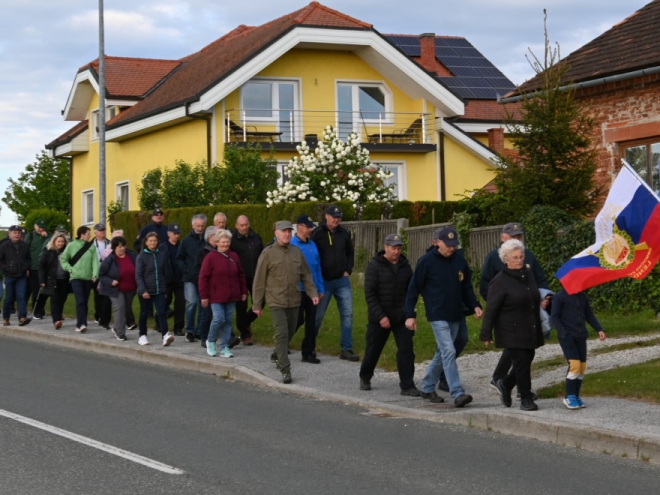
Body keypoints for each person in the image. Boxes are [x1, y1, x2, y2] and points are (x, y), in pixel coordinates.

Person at [405, 227, 481, 408]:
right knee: (448, 351)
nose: (451, 248)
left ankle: (428, 386)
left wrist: (475, 304)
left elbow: (466, 287)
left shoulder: (459, 260)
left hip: (456, 313)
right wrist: (410, 315)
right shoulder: (426, 262)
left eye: (454, 245)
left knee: (443, 352)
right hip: (437, 314)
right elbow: (413, 289)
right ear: (436, 243)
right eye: (448, 245)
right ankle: (457, 392)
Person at [480, 222, 549, 396]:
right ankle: (523, 393)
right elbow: (486, 286)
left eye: (519, 237)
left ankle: (504, 382)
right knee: (520, 355)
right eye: (513, 237)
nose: (517, 240)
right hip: (508, 315)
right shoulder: (493, 258)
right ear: (503, 238)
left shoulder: (528, 257)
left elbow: (539, 280)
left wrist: (545, 297)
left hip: (528, 313)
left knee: (527, 354)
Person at [252, 221, 319, 384]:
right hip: (276, 300)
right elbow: (259, 281)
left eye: (289, 231)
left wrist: (312, 293)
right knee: (282, 333)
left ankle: (276, 354)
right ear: (276, 233)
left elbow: (306, 275)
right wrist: (257, 304)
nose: (287, 234)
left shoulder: (296, 252)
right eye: (283, 231)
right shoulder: (267, 253)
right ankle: (285, 369)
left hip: (294, 299)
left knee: (289, 331)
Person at [360, 234, 418, 395]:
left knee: (406, 350)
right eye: (393, 248)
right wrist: (381, 316)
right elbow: (369, 293)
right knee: (373, 349)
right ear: (386, 247)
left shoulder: (405, 266)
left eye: (399, 248)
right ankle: (365, 376)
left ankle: (407, 385)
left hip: (401, 316)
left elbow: (410, 292)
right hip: (379, 317)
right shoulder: (375, 265)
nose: (396, 252)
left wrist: (410, 314)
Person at [312, 205, 358, 361]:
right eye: (334, 217)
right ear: (327, 216)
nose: (337, 219)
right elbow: (312, 255)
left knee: (347, 314)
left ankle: (347, 349)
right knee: (318, 315)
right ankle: (310, 346)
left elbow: (350, 252)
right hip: (324, 281)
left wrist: (348, 270)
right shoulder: (317, 234)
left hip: (341, 280)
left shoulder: (344, 233)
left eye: (339, 217)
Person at [551, 289, 606, 410]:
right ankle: (569, 396)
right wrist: (563, 333)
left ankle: (576, 395)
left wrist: (599, 329)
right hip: (567, 337)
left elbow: (589, 314)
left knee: (582, 367)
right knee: (574, 365)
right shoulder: (560, 297)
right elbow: (554, 317)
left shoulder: (582, 297)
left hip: (581, 337)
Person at [199, 229, 248, 358]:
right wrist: (204, 296)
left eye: (227, 242)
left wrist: (243, 291)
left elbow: (241, 274)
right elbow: (203, 277)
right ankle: (211, 341)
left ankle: (225, 347)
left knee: (227, 321)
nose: (225, 244)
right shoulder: (210, 257)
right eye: (223, 242)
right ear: (217, 243)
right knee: (219, 318)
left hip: (232, 295)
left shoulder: (234, 256)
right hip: (216, 296)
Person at [290, 215, 324, 364]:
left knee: (312, 322)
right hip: (297, 289)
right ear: (299, 227)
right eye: (307, 227)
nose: (309, 230)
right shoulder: (291, 244)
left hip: (312, 289)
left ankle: (308, 352)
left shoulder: (312, 244)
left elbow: (317, 267)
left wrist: (320, 288)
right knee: (296, 320)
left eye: (310, 227)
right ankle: (281, 345)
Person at [230, 215, 263, 345]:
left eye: (246, 225)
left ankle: (247, 321)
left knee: (260, 302)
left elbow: (262, 254)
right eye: (241, 225)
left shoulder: (256, 237)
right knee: (241, 306)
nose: (244, 228)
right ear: (236, 226)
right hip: (240, 277)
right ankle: (245, 335)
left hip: (256, 276)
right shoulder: (233, 240)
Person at [135, 232, 173, 346]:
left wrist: (164, 289)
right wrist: (143, 290)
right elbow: (138, 275)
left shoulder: (161, 255)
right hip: (145, 290)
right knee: (144, 313)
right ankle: (142, 335)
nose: (152, 243)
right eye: (150, 241)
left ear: (158, 242)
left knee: (161, 312)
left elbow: (164, 273)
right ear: (146, 242)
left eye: (155, 241)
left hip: (159, 290)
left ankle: (165, 335)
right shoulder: (141, 256)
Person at [60, 226, 99, 333]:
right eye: (88, 233)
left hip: (87, 278)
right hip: (75, 278)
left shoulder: (91, 247)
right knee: (80, 300)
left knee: (85, 302)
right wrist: (70, 269)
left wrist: (95, 274)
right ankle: (81, 324)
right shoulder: (71, 245)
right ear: (82, 234)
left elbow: (95, 261)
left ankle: (82, 322)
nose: (90, 235)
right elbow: (63, 259)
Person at [99, 236, 138, 341]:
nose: (122, 248)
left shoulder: (132, 256)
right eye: (120, 246)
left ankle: (116, 327)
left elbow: (138, 269)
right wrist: (111, 281)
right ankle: (120, 333)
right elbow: (101, 275)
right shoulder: (109, 260)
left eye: (124, 246)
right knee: (119, 308)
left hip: (130, 288)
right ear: (114, 247)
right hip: (115, 289)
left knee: (126, 308)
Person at [176, 214, 207, 342]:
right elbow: (179, 258)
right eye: (197, 226)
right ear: (192, 226)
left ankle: (199, 330)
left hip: (203, 278)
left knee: (202, 305)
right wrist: (186, 269)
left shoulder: (207, 240)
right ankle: (189, 329)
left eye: (202, 226)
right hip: (190, 278)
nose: (200, 228)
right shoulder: (186, 241)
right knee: (192, 302)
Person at [0, 225, 32, 326]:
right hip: (9, 275)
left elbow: (29, 258)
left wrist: (26, 267)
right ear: (9, 234)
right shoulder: (4, 246)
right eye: (15, 232)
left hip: (21, 275)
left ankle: (22, 317)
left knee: (21, 296)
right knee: (9, 297)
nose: (17, 234)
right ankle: (6, 317)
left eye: (18, 233)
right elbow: (1, 260)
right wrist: (6, 268)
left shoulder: (25, 245)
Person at [38, 233, 70, 329]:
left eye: (62, 242)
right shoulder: (48, 252)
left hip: (64, 279)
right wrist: (42, 280)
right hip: (52, 280)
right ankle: (56, 320)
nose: (60, 244)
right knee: (55, 300)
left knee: (62, 299)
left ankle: (59, 316)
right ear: (54, 242)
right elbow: (41, 267)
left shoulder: (67, 252)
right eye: (58, 241)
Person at [160, 223, 185, 336]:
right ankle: (160, 322)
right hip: (167, 280)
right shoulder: (162, 247)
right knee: (165, 302)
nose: (177, 236)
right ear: (168, 234)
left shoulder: (182, 246)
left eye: (178, 233)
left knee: (180, 304)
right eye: (174, 233)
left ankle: (178, 328)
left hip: (179, 280)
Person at [24, 218, 49, 319]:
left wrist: (46, 237)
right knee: (34, 290)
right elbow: (25, 252)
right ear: (35, 226)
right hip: (33, 267)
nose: (41, 229)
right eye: (39, 227)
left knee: (44, 291)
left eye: (43, 227)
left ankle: (39, 309)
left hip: (44, 268)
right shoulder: (30, 236)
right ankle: (35, 310)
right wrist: (26, 267)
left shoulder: (48, 236)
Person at [92, 223, 112, 329]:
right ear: (95, 233)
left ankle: (104, 318)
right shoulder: (91, 244)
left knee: (106, 296)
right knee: (97, 296)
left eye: (103, 230)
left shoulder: (109, 243)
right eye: (100, 230)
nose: (102, 232)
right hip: (95, 273)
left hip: (106, 273)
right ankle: (98, 315)